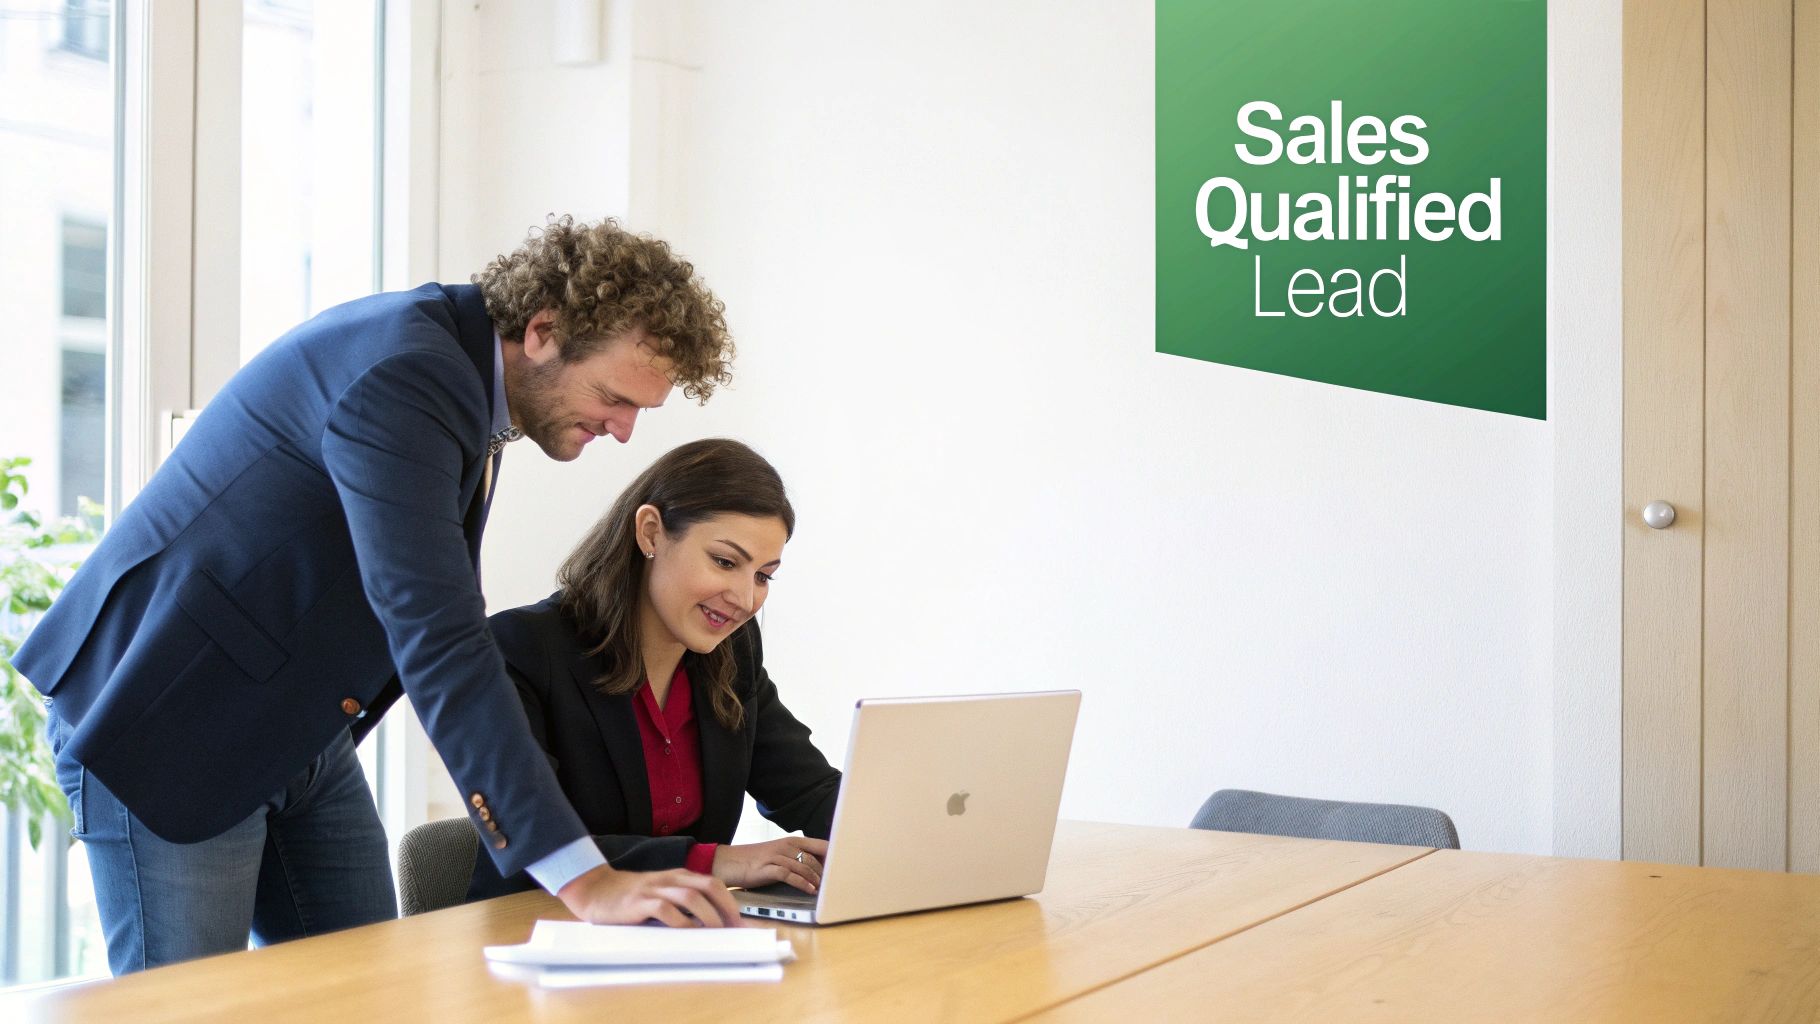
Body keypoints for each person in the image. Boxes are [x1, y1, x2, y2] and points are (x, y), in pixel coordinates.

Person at [14, 217, 746, 975]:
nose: (623, 431)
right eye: (613, 397)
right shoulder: (408, 375)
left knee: (367, 992)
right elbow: (440, 636)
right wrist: (585, 880)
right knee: (186, 1010)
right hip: (172, 716)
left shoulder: (459, 373)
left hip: (297, 723)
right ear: (542, 330)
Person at [467, 438, 840, 903]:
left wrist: (911, 833)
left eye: (763, 576)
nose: (746, 600)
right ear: (650, 533)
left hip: (676, 940)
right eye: (725, 562)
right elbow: (534, 845)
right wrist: (716, 861)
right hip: (535, 936)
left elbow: (809, 788)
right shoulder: (524, 647)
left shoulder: (732, 652)